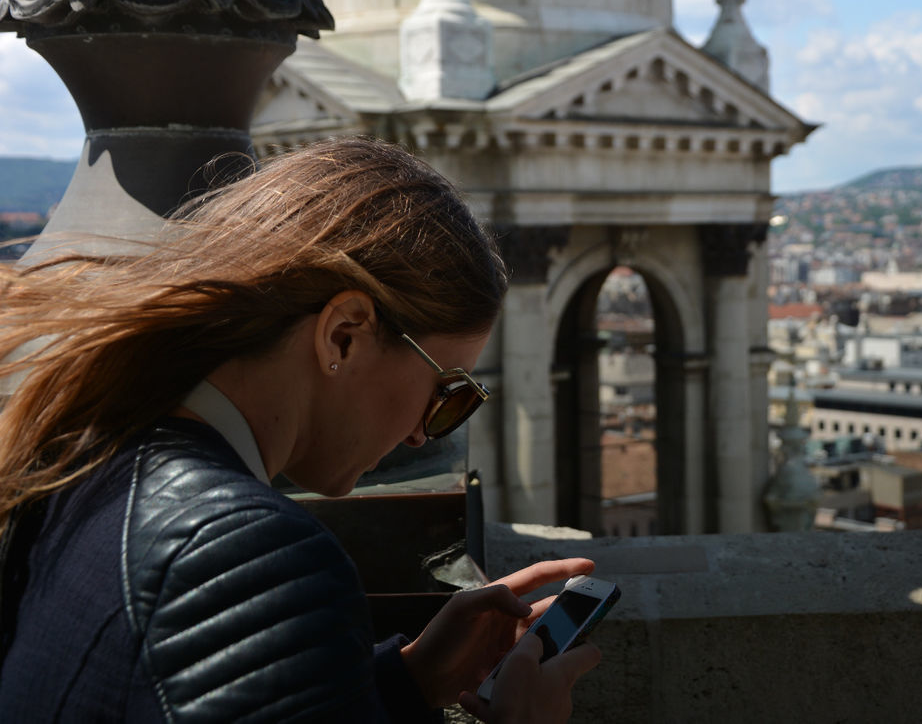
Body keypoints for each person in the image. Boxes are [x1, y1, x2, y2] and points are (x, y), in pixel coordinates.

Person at [0, 137, 601, 722]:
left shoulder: (74, 459)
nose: (426, 435)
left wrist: (403, 682)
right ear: (343, 334)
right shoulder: (256, 560)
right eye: (448, 392)